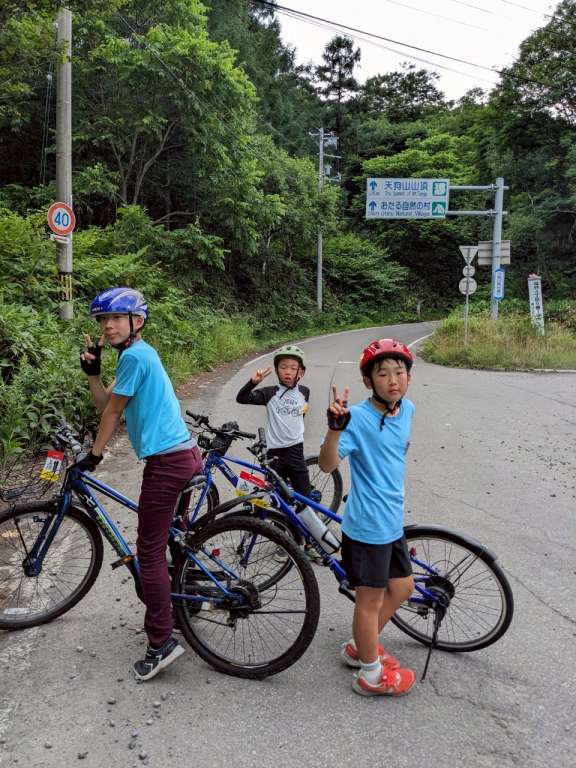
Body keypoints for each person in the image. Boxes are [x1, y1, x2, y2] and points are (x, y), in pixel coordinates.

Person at [77, 287, 203, 681]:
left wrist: (94, 456)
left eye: (116, 318)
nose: (107, 326)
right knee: (173, 537)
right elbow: (107, 404)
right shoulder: (137, 355)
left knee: (148, 552)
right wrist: (93, 375)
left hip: (167, 463)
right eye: (103, 320)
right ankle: (184, 604)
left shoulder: (134, 356)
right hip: (184, 455)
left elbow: (113, 414)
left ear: (138, 321)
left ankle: (160, 642)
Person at [319, 338, 417, 697]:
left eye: (399, 372)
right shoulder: (357, 419)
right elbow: (327, 464)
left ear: (408, 377)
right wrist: (335, 430)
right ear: (368, 381)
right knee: (369, 601)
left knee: (403, 588)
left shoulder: (407, 410)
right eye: (383, 373)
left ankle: (362, 645)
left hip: (391, 522)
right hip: (366, 527)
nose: (393, 380)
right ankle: (370, 675)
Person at [236, 345, 331, 560]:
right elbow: (242, 398)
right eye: (283, 367)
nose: (288, 371)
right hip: (274, 456)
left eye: (293, 368)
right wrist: (253, 382)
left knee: (305, 501)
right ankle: (285, 538)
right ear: (277, 370)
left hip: (295, 452)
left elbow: (299, 417)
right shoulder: (269, 393)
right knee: (275, 501)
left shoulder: (305, 392)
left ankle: (309, 543)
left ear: (301, 372)